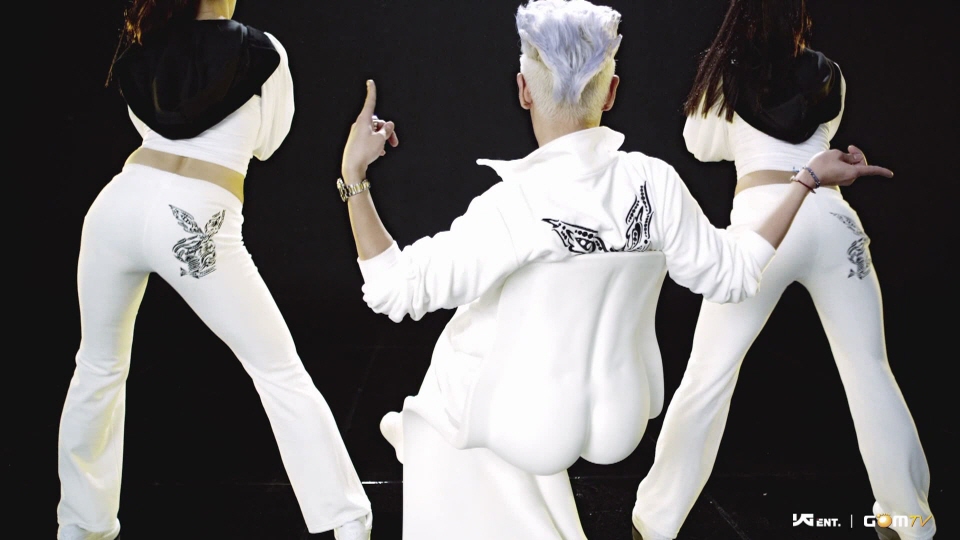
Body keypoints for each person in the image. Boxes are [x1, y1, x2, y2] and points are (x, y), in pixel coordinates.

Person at [336, 0, 891, 538]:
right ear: (612, 91)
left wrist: (354, 177)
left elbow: (391, 290)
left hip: (531, 422)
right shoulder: (656, 183)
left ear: (524, 90)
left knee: (443, 383)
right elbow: (736, 273)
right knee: (481, 325)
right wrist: (805, 180)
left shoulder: (512, 206)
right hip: (619, 418)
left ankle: (433, 447)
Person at [56, 1, 372, 539]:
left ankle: (80, 527)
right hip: (196, 214)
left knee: (98, 368)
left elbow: (151, 121)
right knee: (278, 370)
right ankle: (347, 524)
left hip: (117, 206)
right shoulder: (262, 50)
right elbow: (268, 144)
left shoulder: (144, 49)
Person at [630, 1, 934, 539]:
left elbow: (700, 145)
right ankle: (908, 519)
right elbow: (819, 132)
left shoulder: (727, 73)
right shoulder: (830, 73)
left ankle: (655, 521)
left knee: (709, 374)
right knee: (868, 367)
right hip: (832, 217)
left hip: (763, 221)